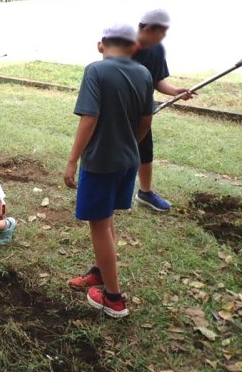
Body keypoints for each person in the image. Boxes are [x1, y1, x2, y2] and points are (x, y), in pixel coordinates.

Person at [64, 24, 154, 318]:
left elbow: (89, 118)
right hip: (128, 160)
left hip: (100, 163)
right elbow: (146, 121)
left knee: (99, 225)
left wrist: (72, 160)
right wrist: (130, 144)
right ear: (132, 47)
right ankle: (101, 272)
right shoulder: (143, 73)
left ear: (101, 45)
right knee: (106, 218)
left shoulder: (96, 70)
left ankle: (114, 299)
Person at [132, 9, 193, 212]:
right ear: (148, 28)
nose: (163, 36)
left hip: (143, 112)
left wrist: (175, 91)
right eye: (161, 32)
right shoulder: (122, 45)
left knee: (144, 151)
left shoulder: (157, 50)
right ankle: (109, 187)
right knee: (115, 149)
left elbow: (157, 80)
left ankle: (145, 193)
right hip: (118, 109)